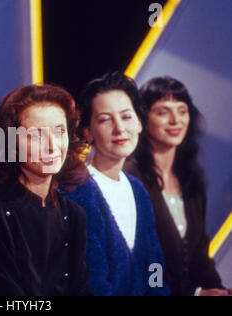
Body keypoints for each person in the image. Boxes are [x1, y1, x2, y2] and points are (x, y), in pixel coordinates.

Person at [0, 84, 92, 296]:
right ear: (10, 142)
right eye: (37, 136)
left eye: (59, 132)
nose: (52, 146)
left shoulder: (73, 214)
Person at [67, 72, 169, 296]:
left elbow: (155, 264)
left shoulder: (137, 189)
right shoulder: (76, 190)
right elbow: (93, 282)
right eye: (105, 119)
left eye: (126, 116)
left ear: (140, 123)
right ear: (87, 131)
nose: (120, 129)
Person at [125, 76, 229, 296]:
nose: (175, 120)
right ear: (143, 119)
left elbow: (200, 258)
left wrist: (220, 291)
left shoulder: (192, 179)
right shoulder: (129, 178)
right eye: (163, 112)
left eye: (182, 110)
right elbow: (141, 264)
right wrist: (196, 293)